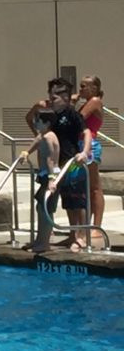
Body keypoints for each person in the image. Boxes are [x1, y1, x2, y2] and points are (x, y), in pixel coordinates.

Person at [25, 78, 93, 250]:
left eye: (56, 94)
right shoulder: (50, 115)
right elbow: (41, 135)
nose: (52, 97)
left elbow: (86, 133)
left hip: (70, 163)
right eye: (50, 93)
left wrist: (84, 152)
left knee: (75, 203)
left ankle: (79, 237)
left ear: (66, 97)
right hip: (54, 165)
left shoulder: (72, 114)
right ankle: (45, 239)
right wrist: (27, 151)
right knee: (47, 201)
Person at [19, 107, 62, 253]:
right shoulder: (45, 135)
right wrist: (26, 153)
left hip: (51, 176)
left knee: (45, 209)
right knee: (41, 208)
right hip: (47, 175)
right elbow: (37, 141)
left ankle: (44, 243)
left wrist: (51, 180)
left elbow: (50, 159)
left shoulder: (48, 137)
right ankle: (39, 240)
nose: (35, 123)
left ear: (47, 123)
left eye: (38, 121)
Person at [76, 75, 106, 242]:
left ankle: (97, 227)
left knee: (94, 187)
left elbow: (78, 119)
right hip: (81, 145)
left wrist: (73, 101)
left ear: (94, 88)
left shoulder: (94, 101)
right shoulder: (87, 102)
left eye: (83, 87)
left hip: (90, 145)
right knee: (85, 188)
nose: (80, 90)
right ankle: (86, 225)